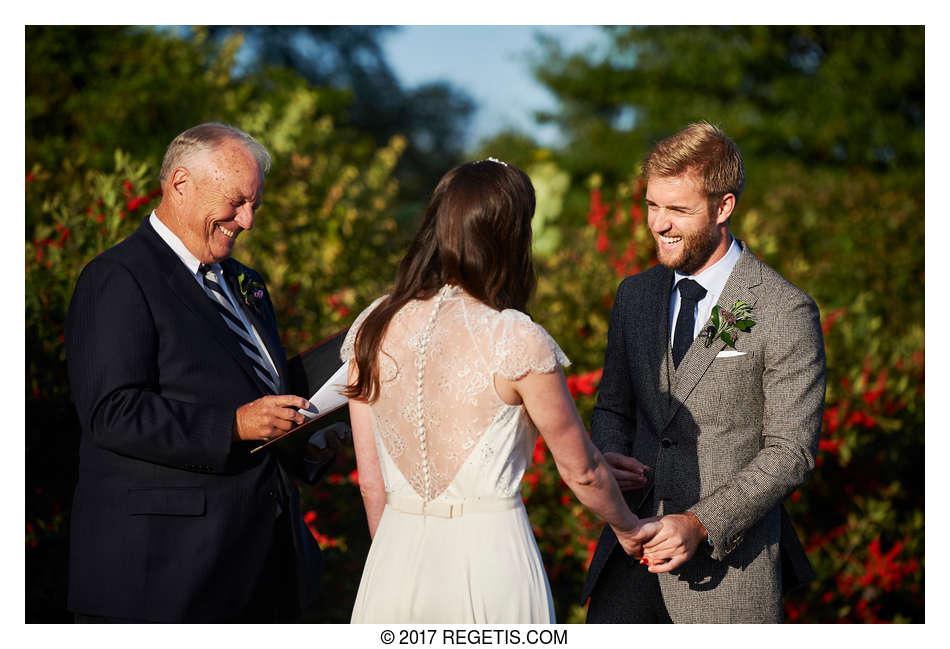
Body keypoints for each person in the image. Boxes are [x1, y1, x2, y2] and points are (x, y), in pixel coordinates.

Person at [341, 158, 659, 623]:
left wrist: (395, 559)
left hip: (393, 557)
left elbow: (371, 483)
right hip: (490, 559)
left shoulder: (373, 324)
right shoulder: (513, 337)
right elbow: (584, 472)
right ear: (510, 237)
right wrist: (630, 529)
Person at [65, 123, 342, 622]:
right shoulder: (117, 277)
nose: (248, 220)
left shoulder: (246, 284)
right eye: (237, 201)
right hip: (166, 574)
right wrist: (233, 425)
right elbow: (111, 411)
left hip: (261, 564)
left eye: (255, 203)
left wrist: (322, 425)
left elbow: (260, 392)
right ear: (180, 184)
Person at [582, 121, 826, 623]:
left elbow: (791, 450)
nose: (658, 224)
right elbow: (612, 406)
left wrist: (702, 522)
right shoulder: (635, 296)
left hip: (728, 577)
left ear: (723, 208)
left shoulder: (784, 309)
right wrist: (609, 453)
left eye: (678, 210)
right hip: (627, 560)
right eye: (652, 205)